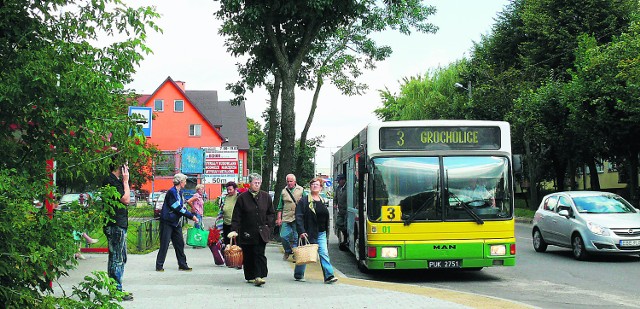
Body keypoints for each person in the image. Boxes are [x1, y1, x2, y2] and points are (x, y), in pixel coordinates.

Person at [227, 173, 275, 287]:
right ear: (250, 184)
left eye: (259, 183)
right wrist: (234, 230)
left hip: (262, 231)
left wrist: (268, 225)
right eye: (255, 183)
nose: (257, 185)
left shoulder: (266, 197)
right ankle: (249, 276)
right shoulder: (242, 198)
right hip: (247, 231)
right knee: (248, 254)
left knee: (259, 253)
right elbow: (236, 216)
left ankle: (259, 276)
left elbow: (271, 213)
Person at [294, 177, 338, 284]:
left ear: (321, 188)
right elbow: (298, 216)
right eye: (313, 184)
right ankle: (299, 274)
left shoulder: (322, 200)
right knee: (304, 254)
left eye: (317, 185)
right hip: (308, 232)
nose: (314, 186)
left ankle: (329, 276)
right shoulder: (304, 201)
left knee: (323, 253)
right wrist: (301, 231)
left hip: (321, 232)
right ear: (310, 187)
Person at [155, 173, 199, 272]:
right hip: (167, 221)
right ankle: (159, 265)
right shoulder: (172, 192)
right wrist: (191, 216)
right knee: (165, 244)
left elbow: (182, 206)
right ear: (180, 182)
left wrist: (190, 212)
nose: (185, 183)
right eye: (184, 181)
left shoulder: (179, 192)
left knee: (179, 243)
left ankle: (182, 264)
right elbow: (177, 207)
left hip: (175, 222)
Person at [102, 161, 133, 301]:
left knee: (121, 257)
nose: (127, 168)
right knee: (117, 258)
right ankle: (116, 290)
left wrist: (125, 182)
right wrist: (126, 181)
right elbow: (126, 199)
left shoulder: (116, 181)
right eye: (125, 165)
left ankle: (116, 287)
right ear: (119, 167)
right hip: (115, 224)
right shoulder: (111, 181)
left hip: (119, 224)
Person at [275, 174, 304, 261]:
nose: (289, 183)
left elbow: (306, 203)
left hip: (297, 217)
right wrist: (279, 218)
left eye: (291, 181)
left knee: (296, 237)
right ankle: (288, 250)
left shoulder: (301, 190)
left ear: (295, 181)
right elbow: (280, 206)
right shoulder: (284, 191)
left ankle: (296, 254)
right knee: (283, 236)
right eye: (288, 181)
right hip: (286, 217)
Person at [334, 174, 348, 251]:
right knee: (339, 223)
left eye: (339, 181)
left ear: (343, 180)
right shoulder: (338, 188)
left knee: (346, 225)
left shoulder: (348, 188)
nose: (338, 182)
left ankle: (345, 239)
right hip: (341, 210)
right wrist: (335, 204)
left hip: (346, 210)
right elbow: (335, 198)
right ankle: (344, 236)